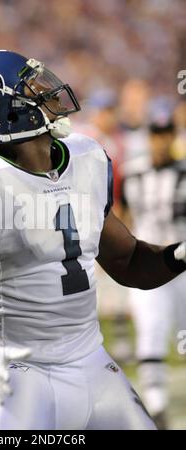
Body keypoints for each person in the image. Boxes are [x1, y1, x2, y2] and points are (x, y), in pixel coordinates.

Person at [0, 50, 186, 430]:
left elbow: (128, 262)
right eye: (33, 89)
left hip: (90, 362)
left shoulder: (86, 159)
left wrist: (179, 254)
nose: (49, 94)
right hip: (17, 371)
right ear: (5, 109)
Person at [121, 98, 186, 429]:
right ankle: (157, 405)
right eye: (156, 133)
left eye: (166, 133)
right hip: (148, 261)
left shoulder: (184, 171)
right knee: (151, 328)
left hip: (184, 263)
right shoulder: (132, 172)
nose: (161, 140)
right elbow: (120, 214)